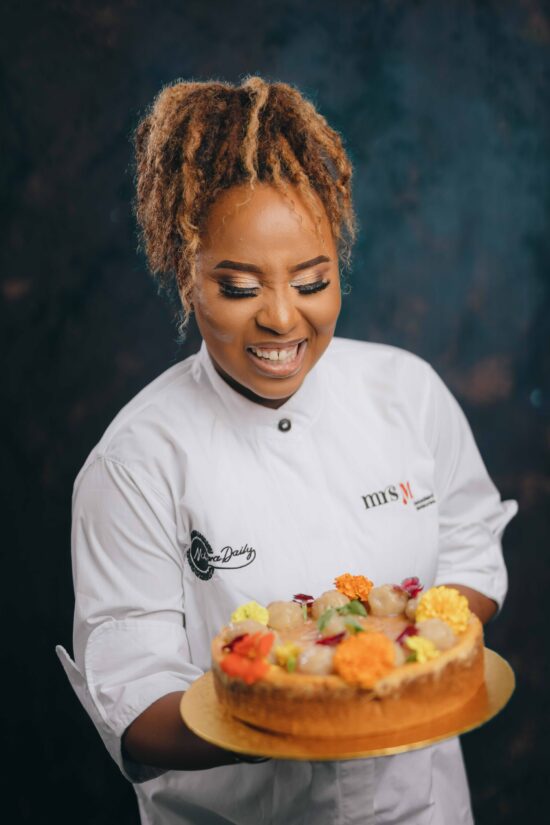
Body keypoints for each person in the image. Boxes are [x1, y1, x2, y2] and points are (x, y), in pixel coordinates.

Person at [56, 75, 517, 824]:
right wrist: (293, 706)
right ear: (188, 278)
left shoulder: (407, 392)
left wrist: (397, 651)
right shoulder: (136, 461)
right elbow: (135, 703)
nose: (280, 318)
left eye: (311, 281)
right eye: (239, 288)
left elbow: (471, 548)